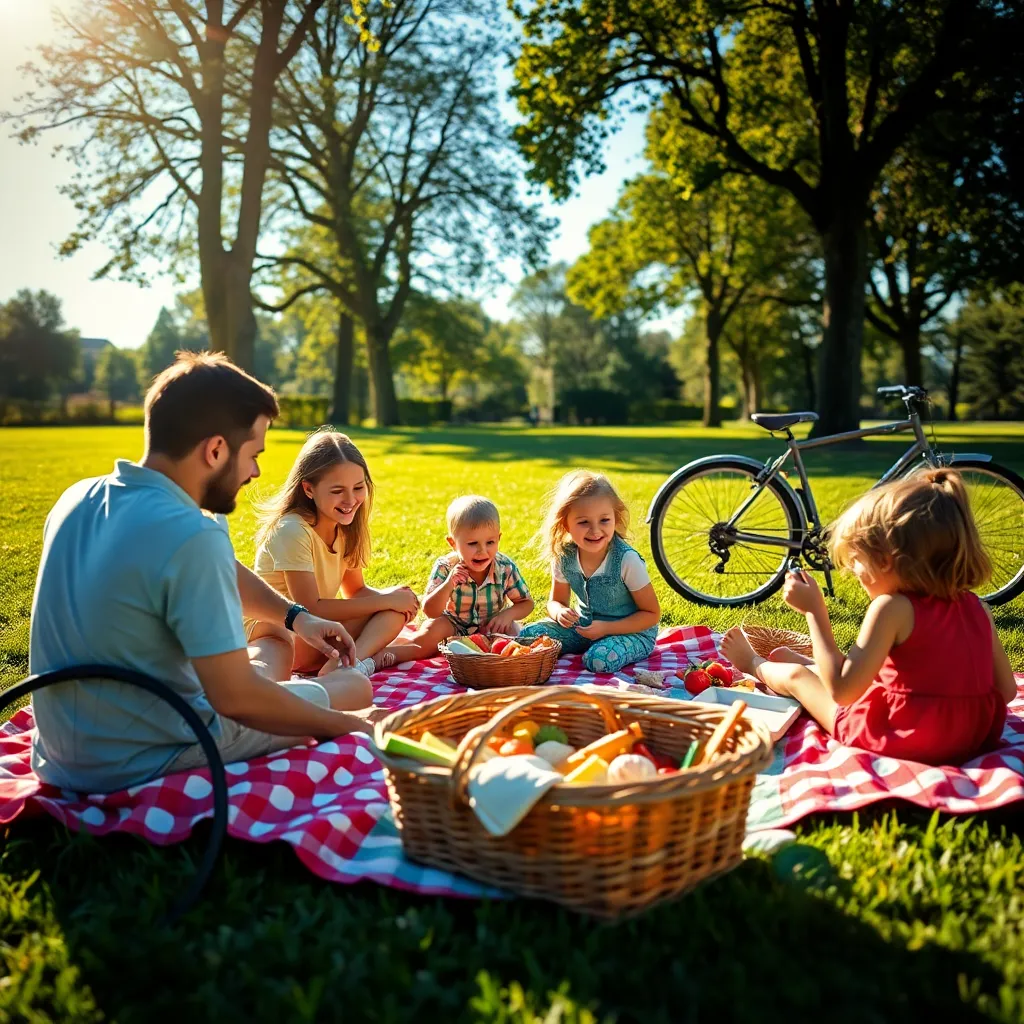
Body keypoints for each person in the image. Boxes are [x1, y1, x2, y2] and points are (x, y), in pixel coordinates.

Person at [28, 352, 374, 794]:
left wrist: (297, 617)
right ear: (215, 450)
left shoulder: (78, 499)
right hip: (143, 756)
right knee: (354, 689)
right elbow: (237, 700)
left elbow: (223, 571)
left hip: (58, 753)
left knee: (284, 672)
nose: (256, 472)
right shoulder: (191, 535)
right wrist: (347, 725)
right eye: (253, 455)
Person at [722, 469, 1017, 766]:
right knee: (846, 675)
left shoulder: (892, 608)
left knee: (799, 679)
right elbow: (1007, 691)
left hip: (901, 736)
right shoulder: (978, 607)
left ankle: (753, 662)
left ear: (885, 560)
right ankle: (804, 662)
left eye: (855, 561)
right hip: (973, 737)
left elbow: (843, 691)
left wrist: (815, 611)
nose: (853, 572)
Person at [247, 429, 418, 679]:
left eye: (358, 487)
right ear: (308, 489)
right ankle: (351, 664)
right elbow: (309, 608)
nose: (350, 499)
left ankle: (348, 663)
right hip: (282, 637)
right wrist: (386, 600)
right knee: (388, 608)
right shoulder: (292, 530)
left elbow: (355, 591)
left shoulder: (345, 527)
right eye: (337, 491)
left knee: (394, 612)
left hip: (317, 633)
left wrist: (397, 597)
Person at [518, 470, 661, 673]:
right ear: (565, 524)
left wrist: (606, 629)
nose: (595, 531)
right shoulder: (564, 556)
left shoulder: (626, 560)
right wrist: (559, 613)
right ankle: (588, 645)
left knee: (599, 660)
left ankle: (595, 648)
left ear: (615, 517)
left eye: (604, 520)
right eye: (584, 522)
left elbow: (651, 614)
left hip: (633, 633)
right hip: (584, 628)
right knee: (528, 635)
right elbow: (555, 601)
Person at [374, 495, 535, 663]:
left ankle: (503, 667)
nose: (482, 551)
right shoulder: (446, 567)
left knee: (515, 639)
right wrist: (449, 584)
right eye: (472, 544)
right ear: (453, 543)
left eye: (490, 542)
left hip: (490, 625)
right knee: (427, 638)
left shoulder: (504, 567)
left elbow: (526, 603)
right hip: (453, 624)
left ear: (499, 538)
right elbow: (430, 611)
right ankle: (383, 656)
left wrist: (507, 615)